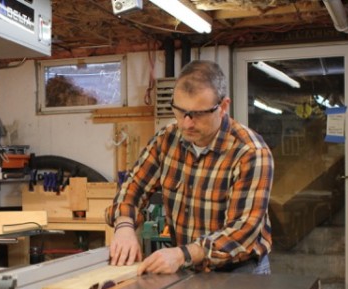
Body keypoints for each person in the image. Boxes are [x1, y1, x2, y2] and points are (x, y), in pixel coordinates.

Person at [105, 60, 274, 276]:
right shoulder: (167, 140)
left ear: (223, 107)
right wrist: (124, 226)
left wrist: (183, 254)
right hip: (188, 268)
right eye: (180, 111)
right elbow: (133, 188)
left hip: (239, 271)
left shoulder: (250, 152)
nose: (186, 123)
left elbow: (243, 231)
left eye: (198, 114)